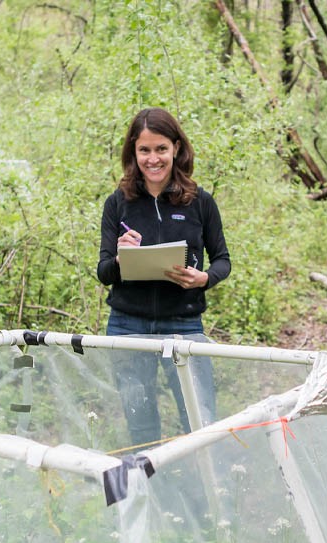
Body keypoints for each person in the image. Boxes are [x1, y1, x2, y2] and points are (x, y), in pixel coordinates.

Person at [96, 107, 231, 447]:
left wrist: (204, 279)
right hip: (127, 326)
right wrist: (121, 257)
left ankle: (206, 495)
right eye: (144, 150)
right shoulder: (118, 203)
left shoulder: (200, 202)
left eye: (161, 149)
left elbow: (223, 261)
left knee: (199, 420)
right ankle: (155, 494)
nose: (153, 159)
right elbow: (103, 272)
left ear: (176, 149)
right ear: (133, 152)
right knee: (140, 425)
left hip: (183, 325)